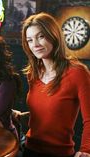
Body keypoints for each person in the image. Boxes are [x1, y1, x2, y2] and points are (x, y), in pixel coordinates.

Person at [21, 12, 90, 157]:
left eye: (41, 36)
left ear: (53, 35)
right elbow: (47, 111)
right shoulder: (32, 73)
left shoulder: (77, 72)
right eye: (30, 40)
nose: (35, 45)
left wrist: (86, 150)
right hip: (29, 150)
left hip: (60, 154)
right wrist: (20, 115)